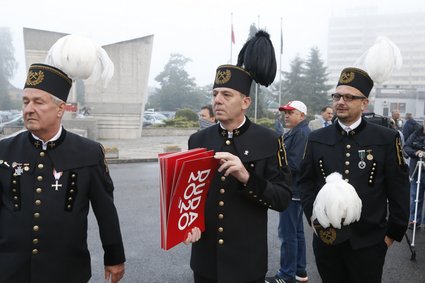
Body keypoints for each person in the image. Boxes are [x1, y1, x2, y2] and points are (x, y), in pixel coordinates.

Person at [0, 35, 125, 283]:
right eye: (25, 101)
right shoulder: (4, 151)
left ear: (60, 109)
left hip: (66, 271)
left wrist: (114, 256)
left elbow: (105, 210)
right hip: (10, 270)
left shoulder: (89, 153)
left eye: (38, 102)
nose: (28, 109)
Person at [184, 30, 292, 283]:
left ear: (245, 102)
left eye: (226, 95)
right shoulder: (198, 140)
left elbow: (283, 198)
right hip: (205, 258)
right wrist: (186, 222)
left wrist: (247, 177)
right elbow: (189, 196)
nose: (217, 101)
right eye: (215, 94)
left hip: (246, 261)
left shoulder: (269, 140)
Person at [299, 67, 409, 283]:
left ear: (364, 103)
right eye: (337, 96)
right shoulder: (317, 138)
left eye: (349, 97)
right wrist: (315, 220)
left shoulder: (386, 138)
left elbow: (399, 188)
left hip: (369, 242)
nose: (341, 101)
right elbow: (305, 183)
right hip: (327, 241)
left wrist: (390, 236)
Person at [266, 101, 310, 283]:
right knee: (297, 233)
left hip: (292, 190)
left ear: (302, 115)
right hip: (296, 190)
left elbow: (293, 164)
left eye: (291, 112)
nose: (287, 115)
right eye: (286, 112)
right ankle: (299, 271)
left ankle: (286, 274)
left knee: (287, 234)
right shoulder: (298, 131)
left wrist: (272, 170)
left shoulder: (301, 133)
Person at [404, 119, 425, 230]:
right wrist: (416, 152)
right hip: (416, 170)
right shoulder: (415, 134)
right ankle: (414, 220)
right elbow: (406, 147)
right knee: (415, 197)